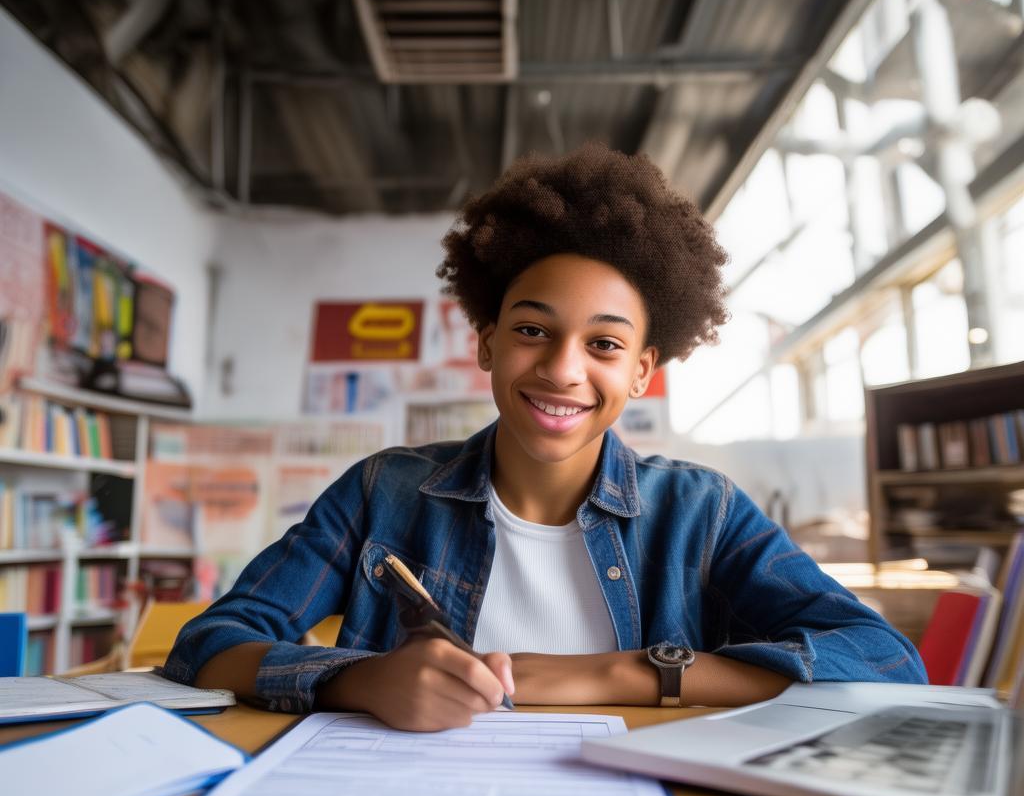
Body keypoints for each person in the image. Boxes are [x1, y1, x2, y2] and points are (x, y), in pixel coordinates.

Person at [164, 142, 926, 731]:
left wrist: (619, 675)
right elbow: (210, 642)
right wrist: (358, 680)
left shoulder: (703, 512)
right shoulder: (382, 492)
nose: (563, 370)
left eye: (603, 344)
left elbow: (885, 661)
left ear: (640, 371)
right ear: (488, 343)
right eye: (533, 330)